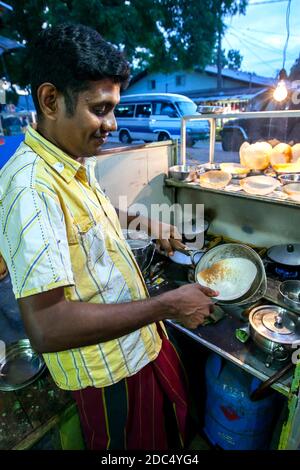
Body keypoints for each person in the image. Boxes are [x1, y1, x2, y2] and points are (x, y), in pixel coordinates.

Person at [0, 24, 217, 450]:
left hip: (141, 345)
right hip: (110, 375)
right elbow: (48, 326)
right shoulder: (29, 187)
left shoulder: (70, 157)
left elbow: (87, 216)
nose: (112, 124)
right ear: (49, 100)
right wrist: (170, 304)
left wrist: (145, 223)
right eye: (100, 109)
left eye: (114, 108)